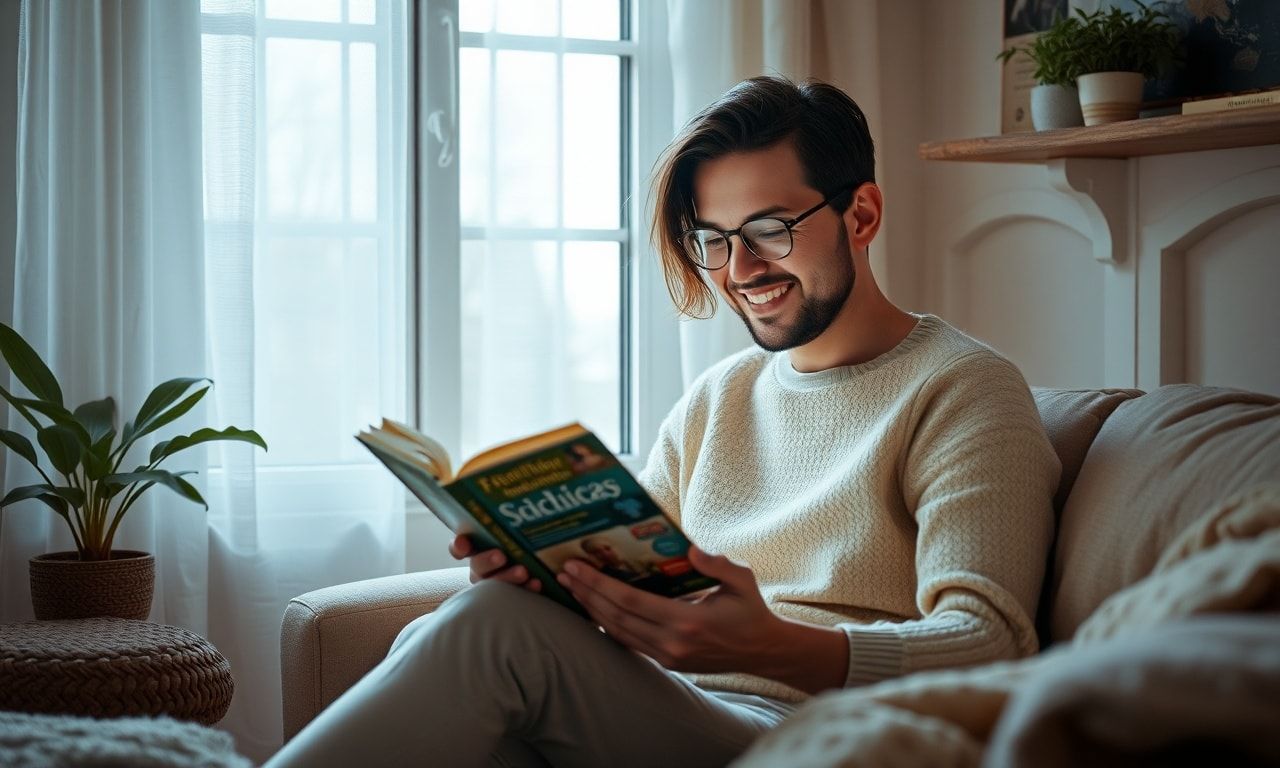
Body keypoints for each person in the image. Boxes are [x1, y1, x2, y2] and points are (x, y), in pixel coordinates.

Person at [268, 76, 1060, 768]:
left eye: (769, 230)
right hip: (667, 711)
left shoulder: (963, 388)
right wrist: (547, 576)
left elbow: (991, 645)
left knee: (490, 633)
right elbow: (630, 583)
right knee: (463, 635)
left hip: (812, 736)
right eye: (714, 241)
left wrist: (776, 646)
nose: (741, 272)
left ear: (861, 214)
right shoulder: (719, 398)